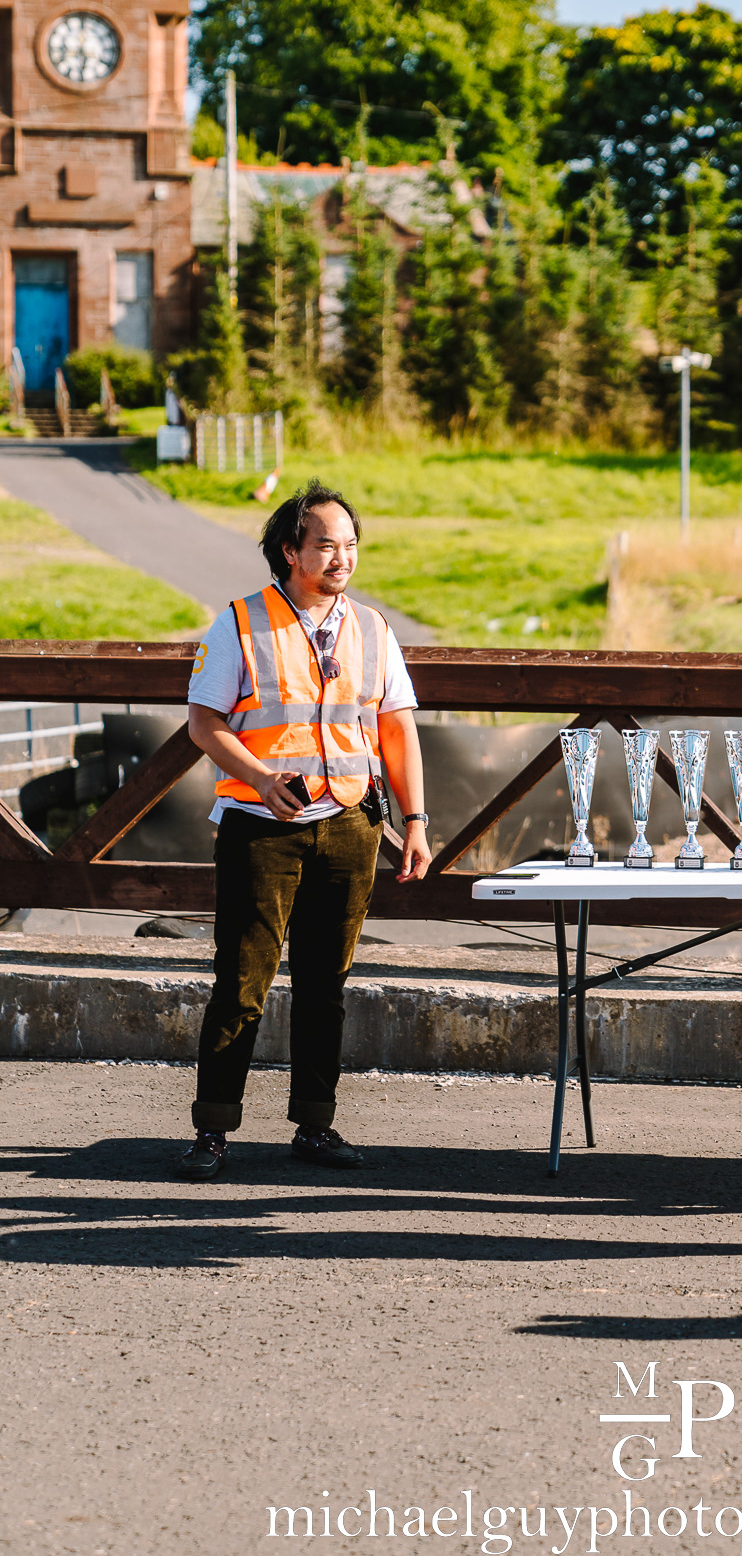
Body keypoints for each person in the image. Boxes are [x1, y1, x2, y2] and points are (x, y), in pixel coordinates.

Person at [178, 481, 432, 1181]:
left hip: (351, 825)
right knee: (242, 982)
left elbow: (396, 728)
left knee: (327, 984)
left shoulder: (373, 629)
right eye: (325, 544)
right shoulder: (239, 623)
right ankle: (212, 1131)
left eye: (350, 544)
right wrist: (262, 780)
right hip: (262, 827)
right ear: (290, 551)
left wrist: (415, 821)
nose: (341, 557)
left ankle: (315, 1125)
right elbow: (204, 723)